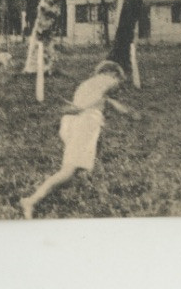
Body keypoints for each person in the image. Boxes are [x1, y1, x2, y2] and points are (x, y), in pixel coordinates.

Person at [20, 60, 138, 219]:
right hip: (84, 123)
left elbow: (103, 100)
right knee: (68, 172)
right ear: (113, 74)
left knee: (76, 170)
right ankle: (31, 200)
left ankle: (67, 193)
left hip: (70, 123)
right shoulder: (108, 80)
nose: (118, 83)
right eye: (118, 77)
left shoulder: (88, 84)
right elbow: (99, 97)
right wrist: (82, 107)